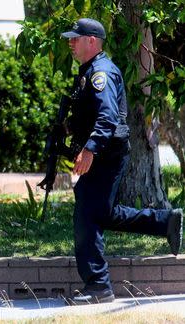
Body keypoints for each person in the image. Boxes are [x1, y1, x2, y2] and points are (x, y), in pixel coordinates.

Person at [57, 18, 184, 304]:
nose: (71, 42)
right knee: (103, 212)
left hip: (105, 154)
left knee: (87, 216)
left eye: (76, 38)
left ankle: (99, 287)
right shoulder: (90, 71)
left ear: (92, 41)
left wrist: (89, 149)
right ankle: (165, 221)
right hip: (104, 152)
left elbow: (107, 118)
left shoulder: (100, 72)